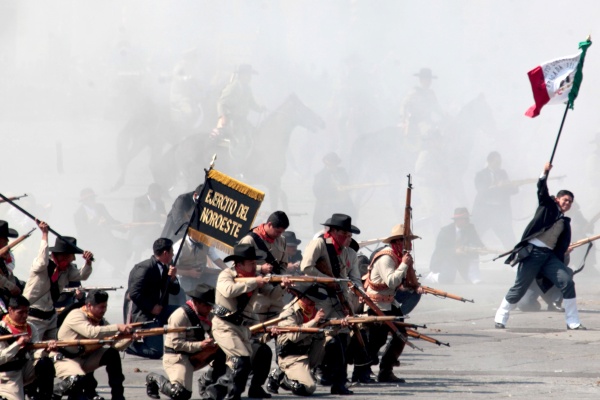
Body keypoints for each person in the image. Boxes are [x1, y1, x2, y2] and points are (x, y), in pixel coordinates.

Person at [494, 162, 585, 330]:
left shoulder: (565, 222)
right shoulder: (547, 206)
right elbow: (542, 190)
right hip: (532, 254)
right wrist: (544, 172)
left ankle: (573, 321)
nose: (568, 204)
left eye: (570, 202)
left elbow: (559, 245)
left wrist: (565, 251)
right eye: (565, 200)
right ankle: (501, 315)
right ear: (558, 199)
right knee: (519, 288)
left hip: (549, 257)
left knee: (567, 281)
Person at [300, 213, 361, 395]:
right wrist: (329, 280)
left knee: (342, 340)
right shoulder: (319, 244)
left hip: (340, 301)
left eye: (349, 235)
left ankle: (339, 382)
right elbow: (307, 268)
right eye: (344, 234)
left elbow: (354, 278)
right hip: (320, 300)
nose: (347, 238)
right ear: (332, 231)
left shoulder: (349, 252)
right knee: (324, 342)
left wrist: (356, 291)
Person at [356, 224, 419, 384]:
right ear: (397, 242)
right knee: (376, 340)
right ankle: (362, 371)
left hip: (389, 302)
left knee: (401, 335)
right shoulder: (386, 257)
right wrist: (404, 264)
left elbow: (399, 283)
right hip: (375, 303)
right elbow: (391, 281)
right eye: (406, 241)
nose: (410, 245)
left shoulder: (398, 256)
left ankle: (386, 370)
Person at [211, 244, 275, 399]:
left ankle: (251, 388)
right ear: (239, 264)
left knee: (259, 355)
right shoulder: (226, 274)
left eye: (255, 263)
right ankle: (229, 394)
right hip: (224, 326)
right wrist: (255, 282)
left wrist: (283, 285)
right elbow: (229, 290)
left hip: (243, 328)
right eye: (251, 263)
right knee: (241, 361)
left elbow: (270, 292)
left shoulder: (253, 277)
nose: (255, 267)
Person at [147, 284, 226, 400]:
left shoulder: (208, 313)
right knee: (180, 393)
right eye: (206, 305)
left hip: (198, 353)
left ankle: (208, 382)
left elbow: (215, 331)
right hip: (177, 356)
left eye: (210, 306)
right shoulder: (179, 316)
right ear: (196, 302)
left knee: (227, 353)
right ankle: (153, 378)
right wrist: (200, 344)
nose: (209, 309)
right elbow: (177, 344)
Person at [53, 290, 134, 400]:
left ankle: (118, 396)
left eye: (105, 307)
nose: (104, 310)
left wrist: (130, 338)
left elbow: (116, 345)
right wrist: (117, 327)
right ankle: (55, 391)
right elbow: (92, 332)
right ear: (89, 306)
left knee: (112, 354)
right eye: (101, 307)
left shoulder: (99, 321)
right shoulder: (76, 315)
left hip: (85, 359)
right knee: (77, 381)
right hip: (67, 359)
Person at [23, 220, 94, 340]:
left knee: (54, 347)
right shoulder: (42, 265)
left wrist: (88, 262)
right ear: (64, 255)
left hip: (50, 316)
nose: (73, 259)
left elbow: (82, 276)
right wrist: (44, 235)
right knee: (33, 348)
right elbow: (42, 261)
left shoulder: (67, 269)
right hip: (33, 315)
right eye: (72, 255)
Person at [124, 238, 180, 359]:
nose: (173, 255)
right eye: (171, 252)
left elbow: (175, 291)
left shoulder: (165, 268)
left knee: (183, 313)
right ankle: (129, 345)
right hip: (144, 314)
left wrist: (173, 278)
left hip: (160, 310)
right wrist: (151, 307)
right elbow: (134, 293)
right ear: (165, 253)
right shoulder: (145, 267)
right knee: (155, 352)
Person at [267, 284, 327, 396]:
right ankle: (282, 377)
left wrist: (341, 325)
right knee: (308, 388)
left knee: (334, 342)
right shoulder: (288, 313)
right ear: (302, 298)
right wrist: (314, 322)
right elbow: (294, 337)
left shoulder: (315, 311)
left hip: (309, 353)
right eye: (311, 301)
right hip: (292, 356)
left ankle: (338, 382)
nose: (313, 304)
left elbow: (327, 330)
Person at [0, 295, 56, 400]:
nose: (25, 316)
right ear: (10, 310)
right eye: (20, 312)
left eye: (27, 312)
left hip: (24, 368)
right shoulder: (1, 329)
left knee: (45, 363)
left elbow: (35, 352)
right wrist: (17, 345)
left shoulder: (30, 327)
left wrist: (45, 350)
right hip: (7, 375)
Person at [238, 211, 289, 322]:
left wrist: (282, 279)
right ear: (269, 224)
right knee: (255, 330)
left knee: (277, 328)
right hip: (258, 294)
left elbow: (284, 264)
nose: (279, 235)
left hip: (277, 292)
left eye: (281, 232)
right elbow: (237, 266)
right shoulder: (249, 240)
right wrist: (260, 269)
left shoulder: (282, 240)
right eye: (277, 231)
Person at [73, 188, 128, 271]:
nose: (92, 200)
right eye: (90, 198)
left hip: (106, 238)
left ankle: (118, 270)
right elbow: (83, 232)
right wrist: (96, 224)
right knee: (102, 250)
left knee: (124, 245)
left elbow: (110, 220)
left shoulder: (100, 207)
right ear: (84, 200)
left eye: (93, 198)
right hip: (90, 241)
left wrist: (122, 226)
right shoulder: (79, 214)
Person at [471, 151, 518, 249]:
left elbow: (511, 190)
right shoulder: (480, 175)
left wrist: (512, 186)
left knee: (508, 238)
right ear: (489, 161)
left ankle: (514, 256)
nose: (498, 165)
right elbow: (481, 191)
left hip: (500, 211)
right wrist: (497, 186)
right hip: (485, 212)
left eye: (499, 163)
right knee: (475, 237)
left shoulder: (502, 173)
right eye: (496, 162)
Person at [427, 207, 485, 284]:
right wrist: (454, 251)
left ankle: (474, 277)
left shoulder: (470, 228)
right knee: (446, 279)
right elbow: (440, 250)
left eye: (467, 218)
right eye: (465, 219)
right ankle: (432, 276)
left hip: (463, 258)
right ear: (458, 220)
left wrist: (482, 248)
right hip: (446, 258)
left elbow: (477, 242)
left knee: (474, 254)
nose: (468, 221)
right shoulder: (445, 231)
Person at [214, 63, 265, 143]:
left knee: (253, 135)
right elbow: (221, 102)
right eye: (248, 75)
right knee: (237, 141)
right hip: (232, 120)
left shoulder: (247, 88)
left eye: (250, 75)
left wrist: (260, 109)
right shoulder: (233, 87)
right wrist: (222, 116)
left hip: (242, 120)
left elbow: (251, 103)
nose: (250, 77)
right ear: (241, 75)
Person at [312, 153, 356, 232]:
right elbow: (318, 192)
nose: (333, 165)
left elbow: (347, 184)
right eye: (331, 163)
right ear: (326, 163)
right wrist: (334, 191)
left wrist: (346, 188)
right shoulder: (320, 176)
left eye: (334, 163)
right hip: (328, 207)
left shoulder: (342, 172)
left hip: (344, 205)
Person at [131, 183, 167, 262]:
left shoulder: (160, 202)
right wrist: (158, 216)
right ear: (152, 193)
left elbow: (164, 216)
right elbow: (140, 216)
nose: (160, 195)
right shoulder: (139, 201)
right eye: (159, 193)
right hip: (142, 230)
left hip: (156, 229)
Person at [0, 221, 24, 313]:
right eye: (4, 237)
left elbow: (7, 274)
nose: (8, 241)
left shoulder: (8, 256)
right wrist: (10, 286)